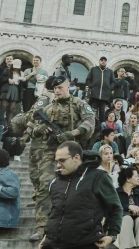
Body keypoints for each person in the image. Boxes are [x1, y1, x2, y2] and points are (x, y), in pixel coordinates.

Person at [30, 73, 96, 242]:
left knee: (76, 188)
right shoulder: (47, 107)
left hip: (73, 152)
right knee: (44, 185)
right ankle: (41, 228)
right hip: (50, 153)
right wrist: (41, 129)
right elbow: (34, 129)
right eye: (55, 88)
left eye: (60, 87)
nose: (57, 91)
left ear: (68, 87)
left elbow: (89, 122)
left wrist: (71, 133)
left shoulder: (79, 104)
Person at [40, 141, 122, 249]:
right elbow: (55, 212)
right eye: (57, 161)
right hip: (52, 244)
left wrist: (112, 235)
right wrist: (46, 236)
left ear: (76, 157)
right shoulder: (55, 182)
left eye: (62, 160)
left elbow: (115, 208)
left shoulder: (98, 177)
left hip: (85, 243)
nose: (58, 165)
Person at [115, 166, 139, 249]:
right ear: (128, 179)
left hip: (137, 220)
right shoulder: (116, 192)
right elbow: (112, 209)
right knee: (127, 218)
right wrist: (128, 207)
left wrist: (138, 210)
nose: (138, 178)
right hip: (121, 222)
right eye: (136, 176)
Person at [86, 57, 115, 128]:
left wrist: (109, 88)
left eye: (105, 61)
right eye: (102, 60)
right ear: (99, 61)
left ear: (106, 62)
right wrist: (91, 86)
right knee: (93, 111)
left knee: (102, 112)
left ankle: (102, 127)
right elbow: (88, 79)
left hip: (104, 95)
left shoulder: (110, 71)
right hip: (94, 94)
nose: (103, 62)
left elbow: (113, 82)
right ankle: (91, 126)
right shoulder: (93, 69)